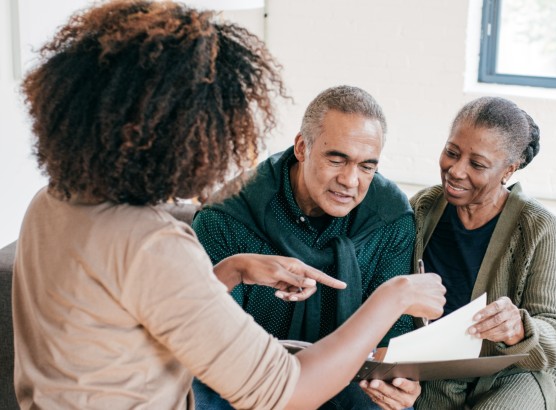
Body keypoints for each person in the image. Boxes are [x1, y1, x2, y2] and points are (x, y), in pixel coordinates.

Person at [12, 2, 446, 409]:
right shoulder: (154, 245)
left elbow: (136, 316)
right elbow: (289, 391)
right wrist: (395, 295)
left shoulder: (51, 202)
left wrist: (232, 270)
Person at [191, 85, 423, 410]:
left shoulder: (390, 216)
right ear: (302, 147)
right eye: (337, 159)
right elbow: (213, 341)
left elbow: (391, 333)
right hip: (249, 376)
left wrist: (396, 381)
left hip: (347, 375)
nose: (350, 180)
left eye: (366, 166)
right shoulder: (227, 217)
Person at [410, 97, 556, 410]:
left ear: (507, 170)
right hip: (448, 367)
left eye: (477, 164)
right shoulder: (423, 208)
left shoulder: (538, 226)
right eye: (451, 152)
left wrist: (519, 327)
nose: (455, 170)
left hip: (526, 366)